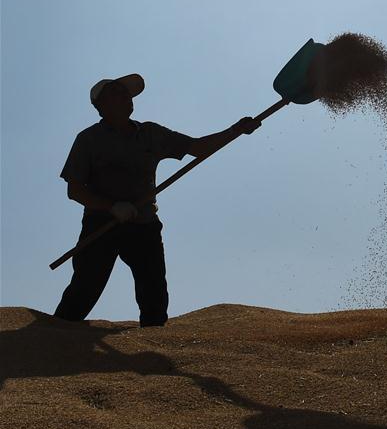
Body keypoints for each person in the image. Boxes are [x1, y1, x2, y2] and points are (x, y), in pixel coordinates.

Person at [54, 74, 261, 326]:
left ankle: (153, 345)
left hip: (143, 225)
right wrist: (112, 206)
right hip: (101, 224)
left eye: (127, 93)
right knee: (84, 290)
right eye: (118, 92)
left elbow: (196, 148)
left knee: (153, 292)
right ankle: (50, 343)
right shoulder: (88, 140)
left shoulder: (151, 133)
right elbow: (75, 190)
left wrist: (235, 131)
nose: (127, 97)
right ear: (101, 105)